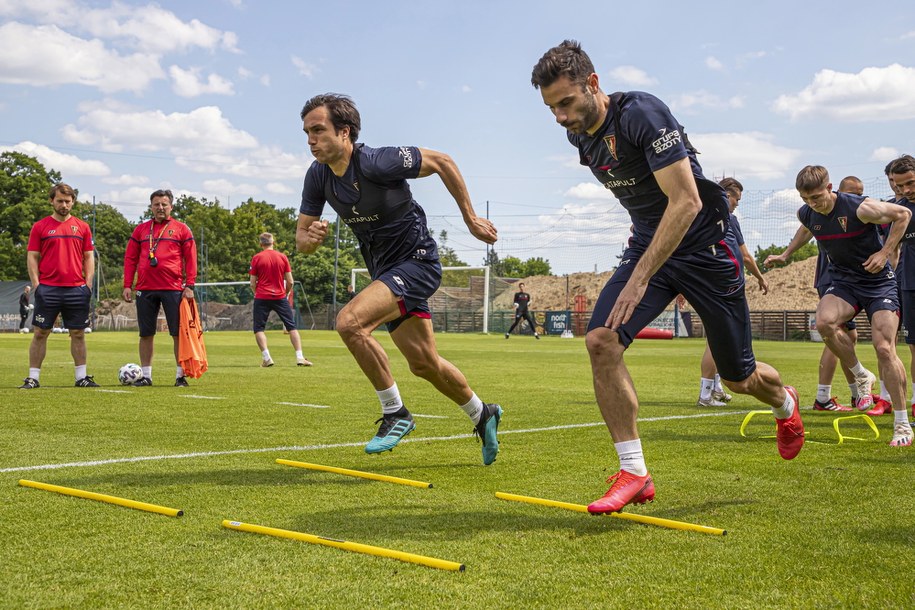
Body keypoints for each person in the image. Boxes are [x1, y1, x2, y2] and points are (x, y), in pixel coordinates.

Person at [531, 40, 804, 514]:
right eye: (551, 108)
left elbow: (687, 201)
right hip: (650, 246)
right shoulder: (579, 135)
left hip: (705, 250)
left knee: (740, 380)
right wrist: (642, 264)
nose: (559, 117)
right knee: (601, 341)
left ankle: (784, 402)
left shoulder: (643, 114)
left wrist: (639, 277)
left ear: (594, 85)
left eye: (566, 103)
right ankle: (635, 472)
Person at [296, 93, 503, 464]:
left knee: (350, 323)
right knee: (424, 363)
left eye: (318, 130)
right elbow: (302, 240)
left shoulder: (377, 161)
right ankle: (481, 413)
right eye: (307, 132)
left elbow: (443, 161)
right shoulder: (318, 176)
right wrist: (309, 240)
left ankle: (396, 412)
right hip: (387, 275)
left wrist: (470, 219)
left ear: (345, 132)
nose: (311, 140)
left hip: (417, 263)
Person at [790, 165, 912, 447]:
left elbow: (903, 214)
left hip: (878, 282)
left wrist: (884, 252)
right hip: (844, 282)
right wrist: (785, 253)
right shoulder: (807, 213)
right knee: (824, 323)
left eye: (817, 197)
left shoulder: (860, 208)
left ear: (830, 188)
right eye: (806, 199)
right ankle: (860, 375)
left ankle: (902, 423)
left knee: (884, 348)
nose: (813, 204)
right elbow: (806, 231)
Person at [696, 178, 769, 407]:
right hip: (723, 286)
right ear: (725, 195)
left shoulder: (701, 216)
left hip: (710, 284)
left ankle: (715, 388)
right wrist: (760, 276)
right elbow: (745, 255)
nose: (737, 203)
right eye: (736, 198)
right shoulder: (727, 218)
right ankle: (706, 394)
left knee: (718, 339)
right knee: (716, 341)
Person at [19, 183, 99, 389]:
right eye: (60, 201)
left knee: (78, 333)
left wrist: (88, 282)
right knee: (40, 333)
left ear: (73, 202)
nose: (64, 205)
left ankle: (81, 377)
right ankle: (33, 378)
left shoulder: (82, 227)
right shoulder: (40, 227)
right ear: (52, 201)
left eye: (68, 201)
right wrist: (37, 284)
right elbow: (32, 257)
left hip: (76, 289)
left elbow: (89, 256)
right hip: (49, 288)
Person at [123, 189, 198, 387]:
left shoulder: (181, 229)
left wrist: (189, 285)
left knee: (177, 333)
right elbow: (130, 259)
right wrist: (127, 285)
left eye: (164, 204)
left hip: (173, 288)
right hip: (145, 288)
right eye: (156, 204)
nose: (160, 208)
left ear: (171, 206)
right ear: (151, 207)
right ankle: (146, 376)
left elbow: (191, 259)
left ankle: (180, 376)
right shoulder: (140, 230)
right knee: (146, 333)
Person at [249, 232, 312, 367]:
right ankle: (300, 357)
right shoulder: (282, 257)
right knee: (292, 327)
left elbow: (252, 283)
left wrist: (257, 293)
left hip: (262, 296)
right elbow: (290, 281)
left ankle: (267, 358)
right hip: (279, 296)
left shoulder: (256, 258)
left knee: (259, 329)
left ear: (261, 244)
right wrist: (286, 293)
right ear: (273, 242)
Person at [888, 155, 915, 422]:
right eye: (900, 185)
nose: (906, 190)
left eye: (911, 183)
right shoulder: (898, 211)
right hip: (909, 283)